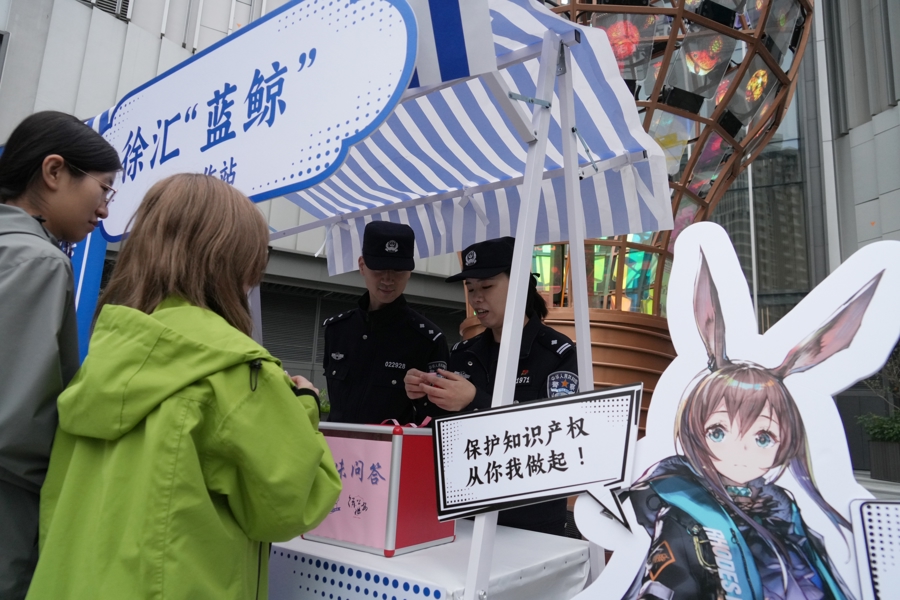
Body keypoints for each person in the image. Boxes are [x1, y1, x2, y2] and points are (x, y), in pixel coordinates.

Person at [25, 174, 341, 600]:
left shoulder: (107, 353)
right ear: (235, 262)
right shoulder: (235, 369)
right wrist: (304, 405)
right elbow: (293, 503)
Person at [622, 253, 872, 600]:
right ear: (695, 431)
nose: (740, 452)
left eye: (763, 437)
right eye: (718, 432)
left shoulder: (780, 509)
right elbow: (666, 582)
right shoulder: (681, 502)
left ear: (785, 440)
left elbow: (813, 580)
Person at [0, 111, 121, 599]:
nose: (105, 210)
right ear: (53, 171)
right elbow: (14, 423)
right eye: (104, 188)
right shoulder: (39, 261)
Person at [405, 236, 579, 536]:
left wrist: (475, 400)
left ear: (520, 283)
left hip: (530, 523)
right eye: (470, 288)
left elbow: (556, 435)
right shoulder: (463, 353)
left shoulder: (556, 353)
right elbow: (442, 432)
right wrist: (424, 395)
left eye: (486, 287)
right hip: (466, 515)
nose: (476, 299)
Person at [322, 220, 449, 424]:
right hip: (336, 442)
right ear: (362, 266)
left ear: (410, 271)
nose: (388, 279)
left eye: (398, 270)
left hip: (395, 444)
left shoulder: (428, 340)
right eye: (379, 268)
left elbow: (437, 416)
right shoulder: (337, 330)